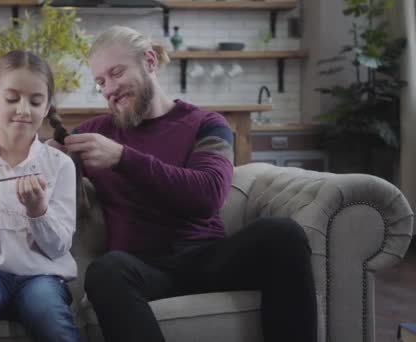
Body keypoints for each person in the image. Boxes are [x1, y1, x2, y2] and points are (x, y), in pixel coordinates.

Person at [48, 26, 317, 342]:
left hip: (207, 258)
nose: (109, 89)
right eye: (100, 82)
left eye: (116, 73)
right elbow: (36, 157)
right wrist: (49, 155)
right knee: (106, 270)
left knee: (282, 234)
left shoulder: (206, 124)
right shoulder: (96, 132)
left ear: (149, 61)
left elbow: (207, 196)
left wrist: (123, 158)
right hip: (142, 268)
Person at [0, 50, 82, 342]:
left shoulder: (60, 166)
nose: (23, 109)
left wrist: (39, 212)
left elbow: (59, 247)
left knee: (50, 313)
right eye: (12, 99)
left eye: (35, 101)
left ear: (47, 107)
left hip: (42, 278)